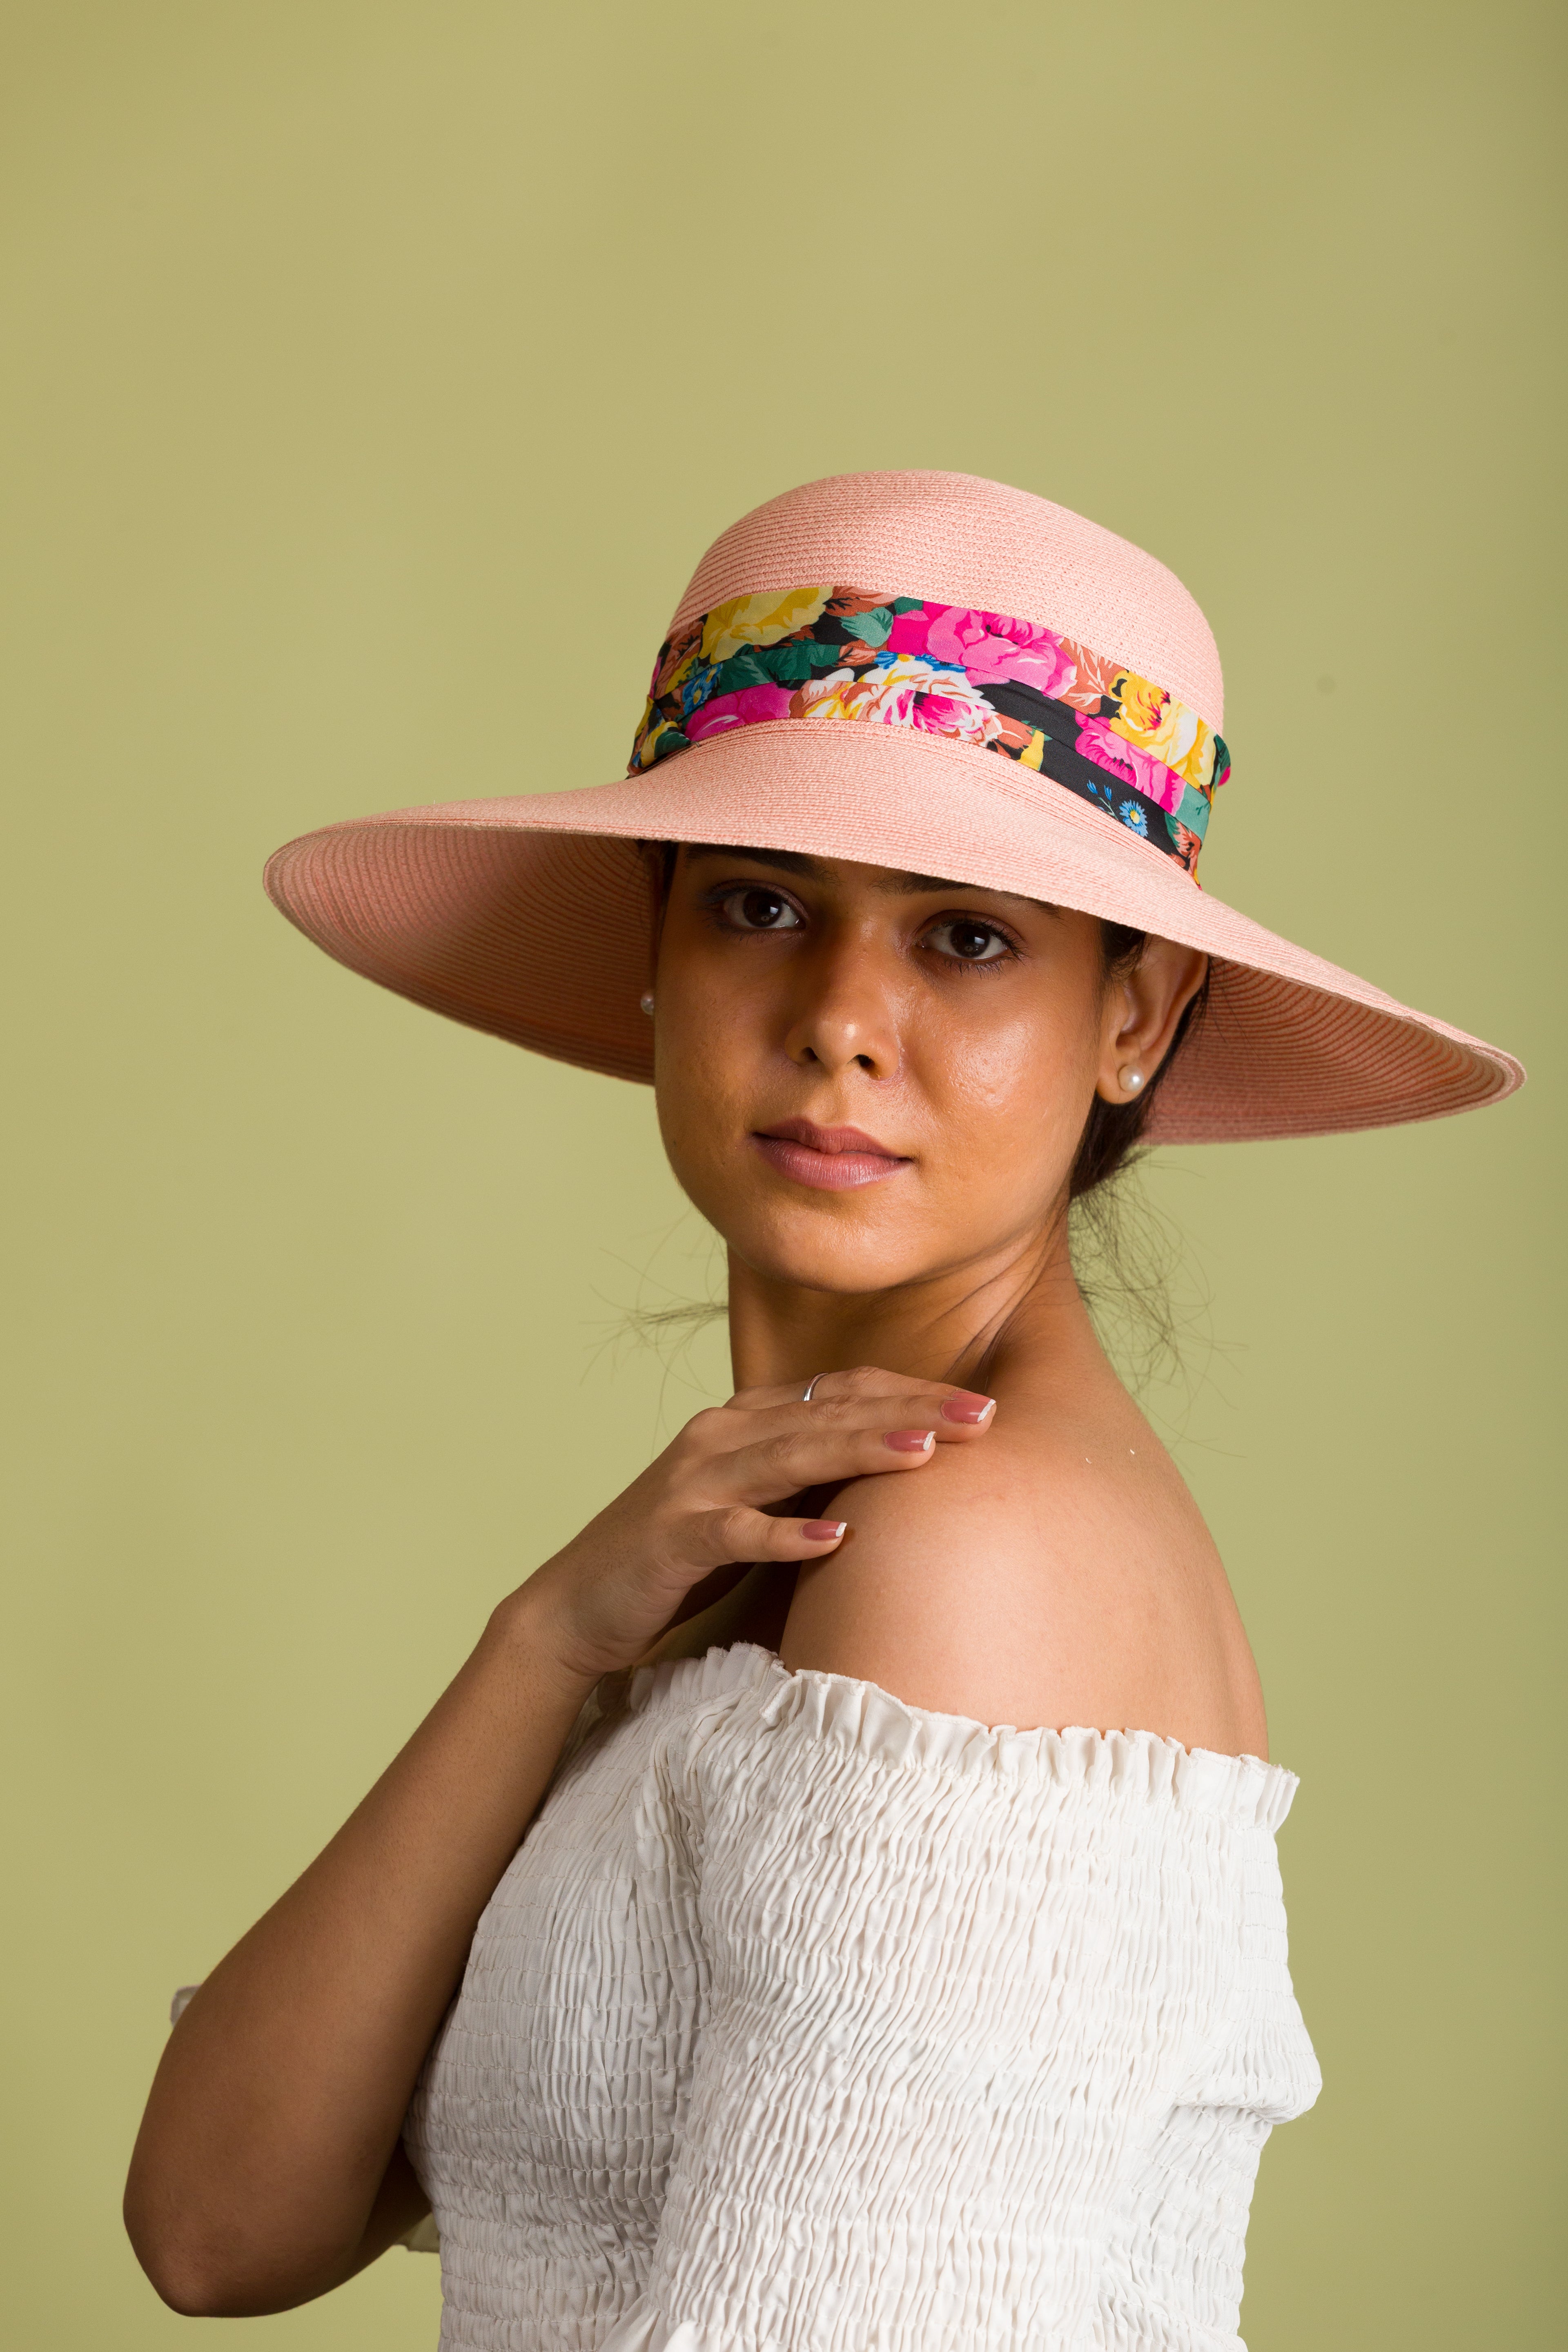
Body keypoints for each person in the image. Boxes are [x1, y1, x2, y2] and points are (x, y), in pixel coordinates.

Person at [124, 471, 1521, 2349]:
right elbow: (219, 2230)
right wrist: (539, 1645)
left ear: (1137, 1015)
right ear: (656, 954)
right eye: (763, 904)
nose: (842, 1018)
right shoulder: (753, 1550)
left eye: (968, 937)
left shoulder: (973, 1556)